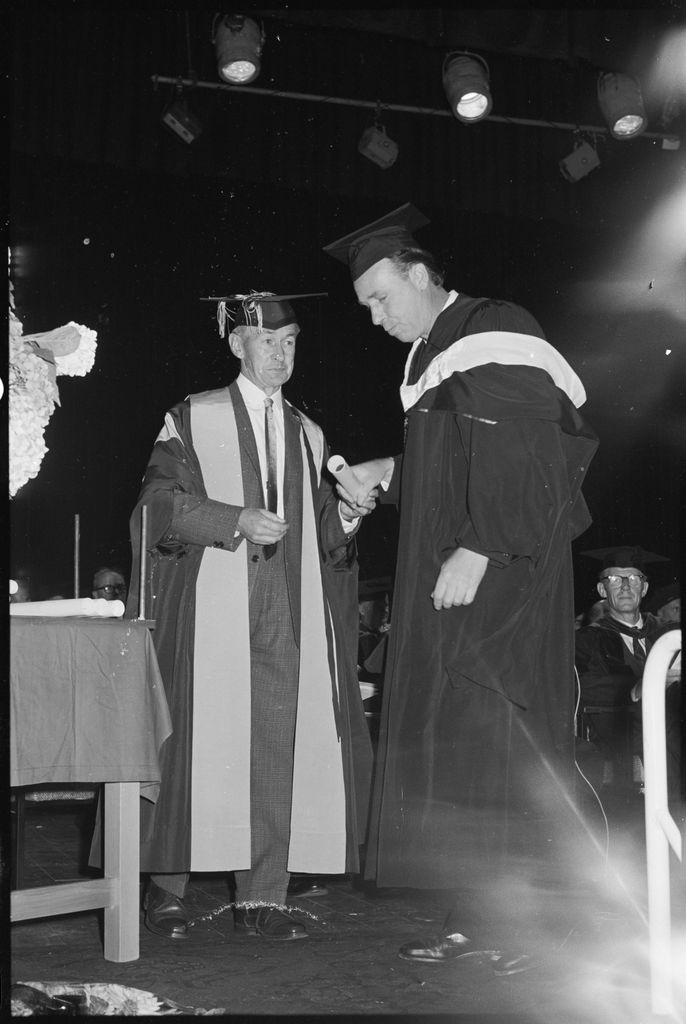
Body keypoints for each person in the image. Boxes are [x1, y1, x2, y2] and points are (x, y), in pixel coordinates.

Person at [323, 203, 599, 967]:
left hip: (505, 579)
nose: (375, 317)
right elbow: (454, 470)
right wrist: (387, 472)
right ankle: (480, 917)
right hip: (460, 584)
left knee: (508, 744)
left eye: (382, 297)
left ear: (418, 274)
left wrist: (482, 544)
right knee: (465, 748)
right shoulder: (431, 355)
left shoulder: (494, 329)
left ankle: (537, 926)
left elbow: (532, 455)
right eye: (365, 306)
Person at [124, 291, 373, 942]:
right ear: (238, 344)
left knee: (276, 746)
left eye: (291, 342)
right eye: (269, 341)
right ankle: (167, 889)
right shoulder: (192, 415)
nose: (282, 354)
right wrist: (232, 518)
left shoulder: (309, 433)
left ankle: (262, 899)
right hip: (213, 596)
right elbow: (155, 503)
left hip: (288, 603)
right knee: (195, 738)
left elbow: (326, 536)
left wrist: (350, 514)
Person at [576, 547, 680, 795]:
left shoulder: (671, 633)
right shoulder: (585, 641)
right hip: (626, 747)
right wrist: (640, 686)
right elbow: (587, 692)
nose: (625, 586)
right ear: (602, 590)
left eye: (633, 578)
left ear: (643, 588)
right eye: (614, 579)